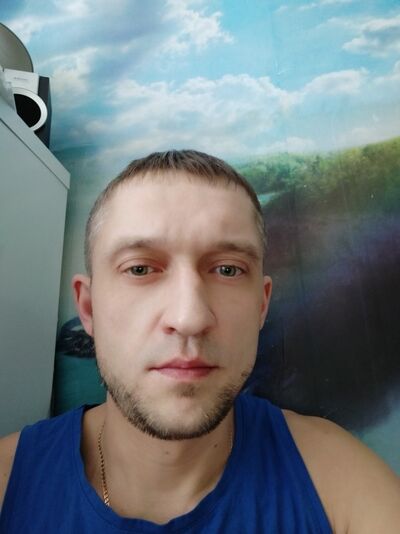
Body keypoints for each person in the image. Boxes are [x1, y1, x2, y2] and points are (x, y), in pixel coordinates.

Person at [0, 149, 399, 533]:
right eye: (140, 269)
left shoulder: (339, 483)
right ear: (88, 308)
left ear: (261, 306)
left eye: (228, 270)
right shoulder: (9, 483)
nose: (189, 318)